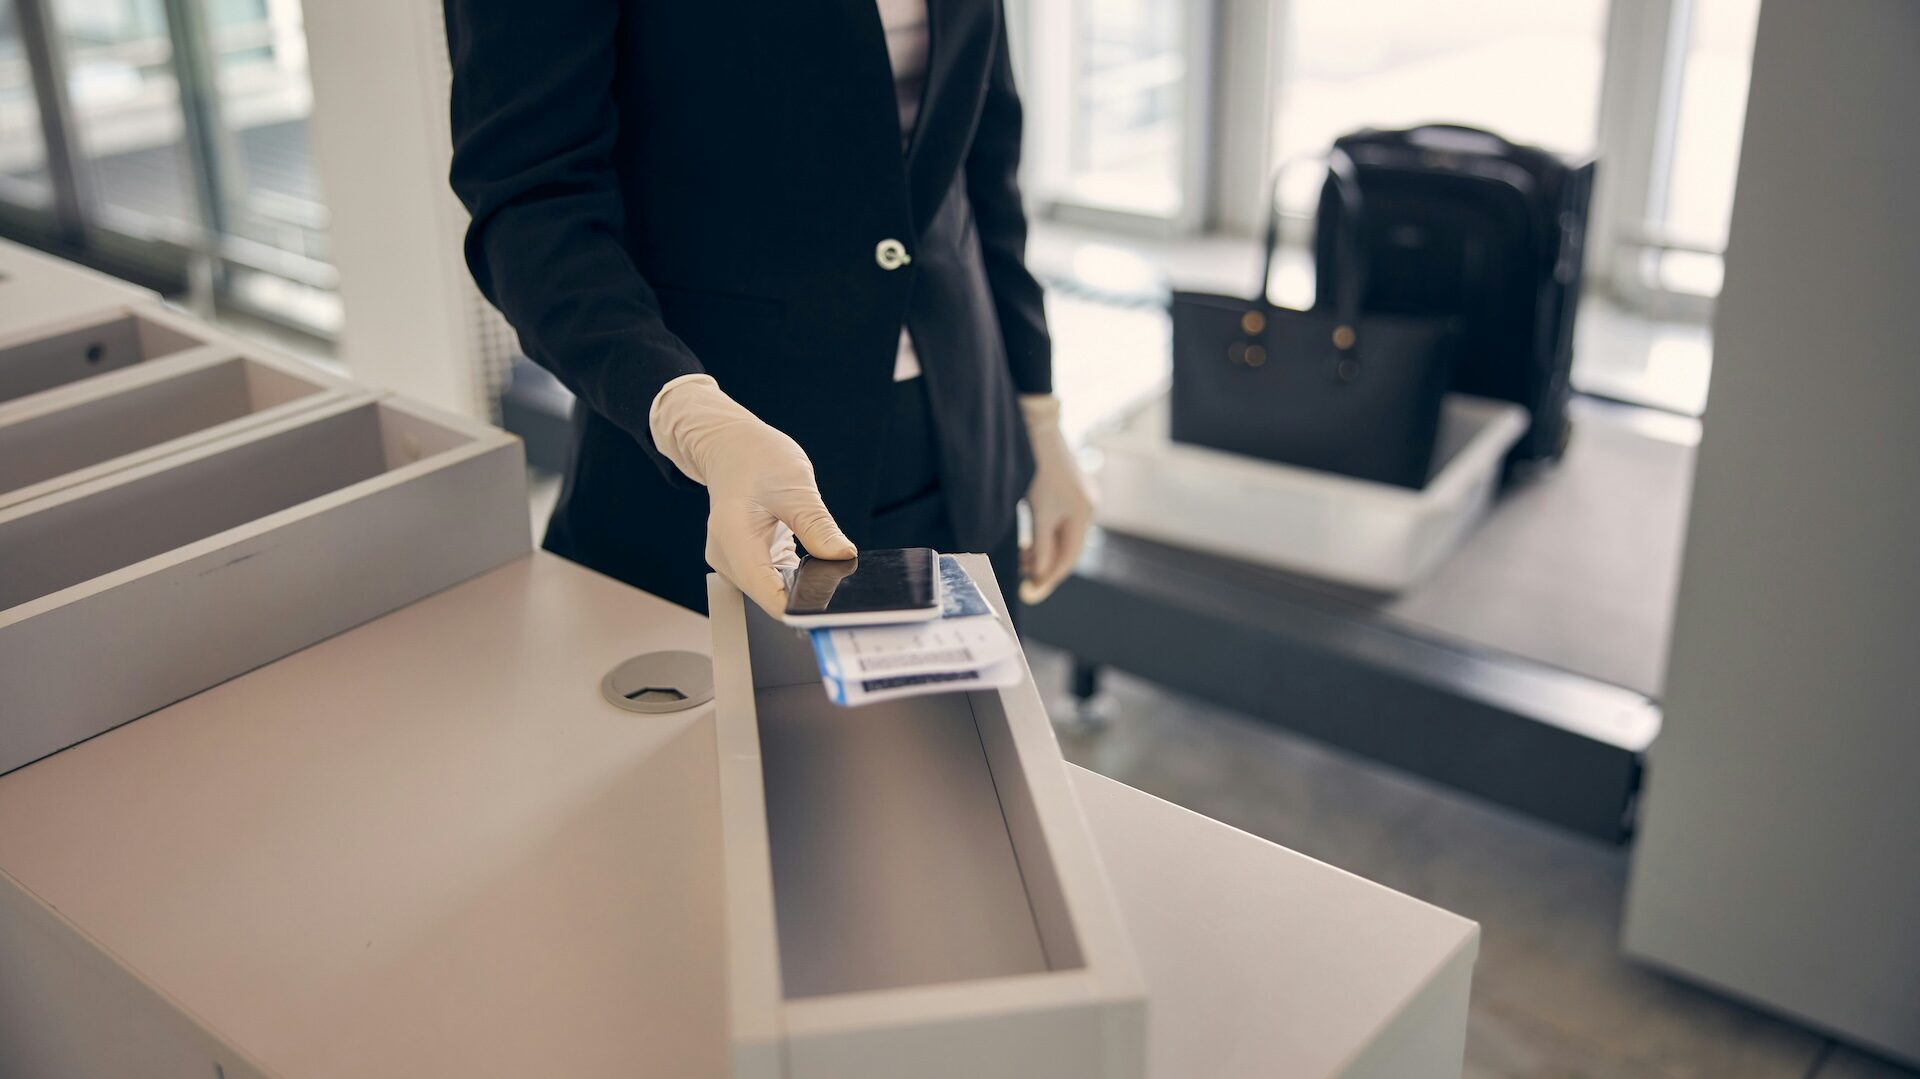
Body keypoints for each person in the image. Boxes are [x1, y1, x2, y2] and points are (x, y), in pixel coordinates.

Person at [443, 0, 1093, 619]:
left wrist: (1037, 412)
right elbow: (531, 203)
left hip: (962, 448)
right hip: (717, 480)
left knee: (959, 734)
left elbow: (985, 150)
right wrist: (691, 417)